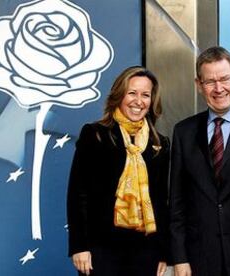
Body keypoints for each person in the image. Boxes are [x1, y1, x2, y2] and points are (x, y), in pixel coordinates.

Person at [169, 46, 230, 276]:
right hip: (200, 259)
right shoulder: (184, 131)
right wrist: (179, 258)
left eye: (224, 79)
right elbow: (177, 201)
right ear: (198, 84)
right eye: (210, 81)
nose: (218, 88)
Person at [67, 66, 170, 276]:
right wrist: (80, 246)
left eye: (145, 95)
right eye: (132, 93)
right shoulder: (95, 135)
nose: (138, 101)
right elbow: (78, 194)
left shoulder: (160, 144)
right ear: (119, 95)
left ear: (152, 101)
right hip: (101, 250)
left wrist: (164, 252)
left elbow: (161, 200)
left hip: (146, 251)